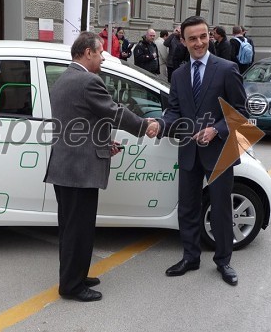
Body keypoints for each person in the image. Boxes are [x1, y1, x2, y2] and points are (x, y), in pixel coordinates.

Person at [44, 31, 156, 302]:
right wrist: (144, 125)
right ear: (87, 53)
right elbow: (113, 111)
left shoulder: (65, 78)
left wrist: (103, 143)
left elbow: (78, 123)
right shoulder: (87, 80)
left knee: (75, 229)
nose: (103, 57)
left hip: (69, 168)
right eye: (100, 52)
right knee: (76, 231)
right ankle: (71, 286)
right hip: (77, 172)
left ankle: (77, 276)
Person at [150, 16, 247, 286]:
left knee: (220, 211)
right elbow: (175, 112)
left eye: (203, 36)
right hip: (189, 152)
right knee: (189, 209)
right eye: (192, 38)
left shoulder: (227, 69)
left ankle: (223, 262)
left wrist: (216, 129)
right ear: (183, 41)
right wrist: (160, 123)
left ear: (210, 36)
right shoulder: (179, 74)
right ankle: (190, 257)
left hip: (219, 152)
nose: (199, 42)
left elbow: (242, 112)